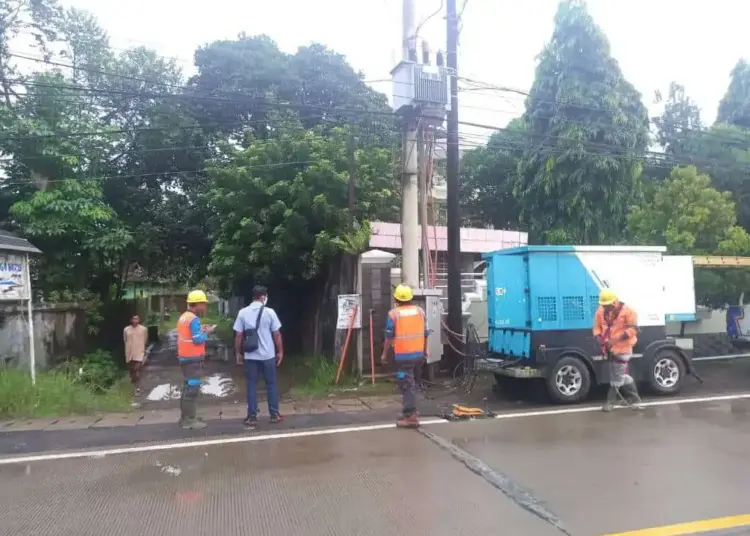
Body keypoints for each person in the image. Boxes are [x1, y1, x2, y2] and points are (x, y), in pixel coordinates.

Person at [234, 285, 284, 430]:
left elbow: (238, 335)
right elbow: (276, 334)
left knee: (251, 385)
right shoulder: (270, 312)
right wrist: (280, 351)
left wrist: (238, 353)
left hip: (250, 356)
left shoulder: (243, 313)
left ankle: (252, 417)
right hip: (268, 356)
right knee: (271, 385)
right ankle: (274, 415)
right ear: (263, 297)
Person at [380, 284, 429, 428]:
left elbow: (389, 337)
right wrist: (426, 350)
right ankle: (409, 411)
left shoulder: (393, 314)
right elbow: (425, 333)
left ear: (396, 298)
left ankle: (411, 416)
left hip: (404, 357)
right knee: (413, 384)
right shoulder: (420, 311)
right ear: (411, 298)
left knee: (407, 385)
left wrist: (384, 353)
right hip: (418, 355)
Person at [593, 289, 643, 412]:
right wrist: (599, 338)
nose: (605, 307)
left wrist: (615, 340)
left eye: (607, 305)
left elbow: (633, 330)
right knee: (619, 375)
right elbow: (597, 327)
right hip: (609, 348)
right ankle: (634, 399)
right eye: (603, 305)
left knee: (617, 377)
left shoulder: (628, 312)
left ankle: (611, 402)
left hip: (623, 348)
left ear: (614, 302)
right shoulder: (601, 311)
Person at [176, 290, 215, 429]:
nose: (205, 306)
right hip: (193, 359)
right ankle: (190, 420)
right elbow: (197, 339)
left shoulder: (184, 317)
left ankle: (185, 417)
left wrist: (201, 330)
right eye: (203, 303)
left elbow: (190, 334)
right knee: (192, 389)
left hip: (185, 358)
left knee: (187, 388)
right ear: (196, 304)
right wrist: (208, 332)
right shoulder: (194, 319)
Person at [123, 314, 148, 396]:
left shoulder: (143, 329)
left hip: (139, 352)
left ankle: (137, 388)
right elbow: (125, 340)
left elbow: (145, 340)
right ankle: (134, 385)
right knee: (132, 371)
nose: (135, 320)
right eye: (134, 319)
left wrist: (144, 351)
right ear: (131, 320)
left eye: (137, 319)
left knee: (137, 370)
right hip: (129, 353)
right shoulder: (126, 329)